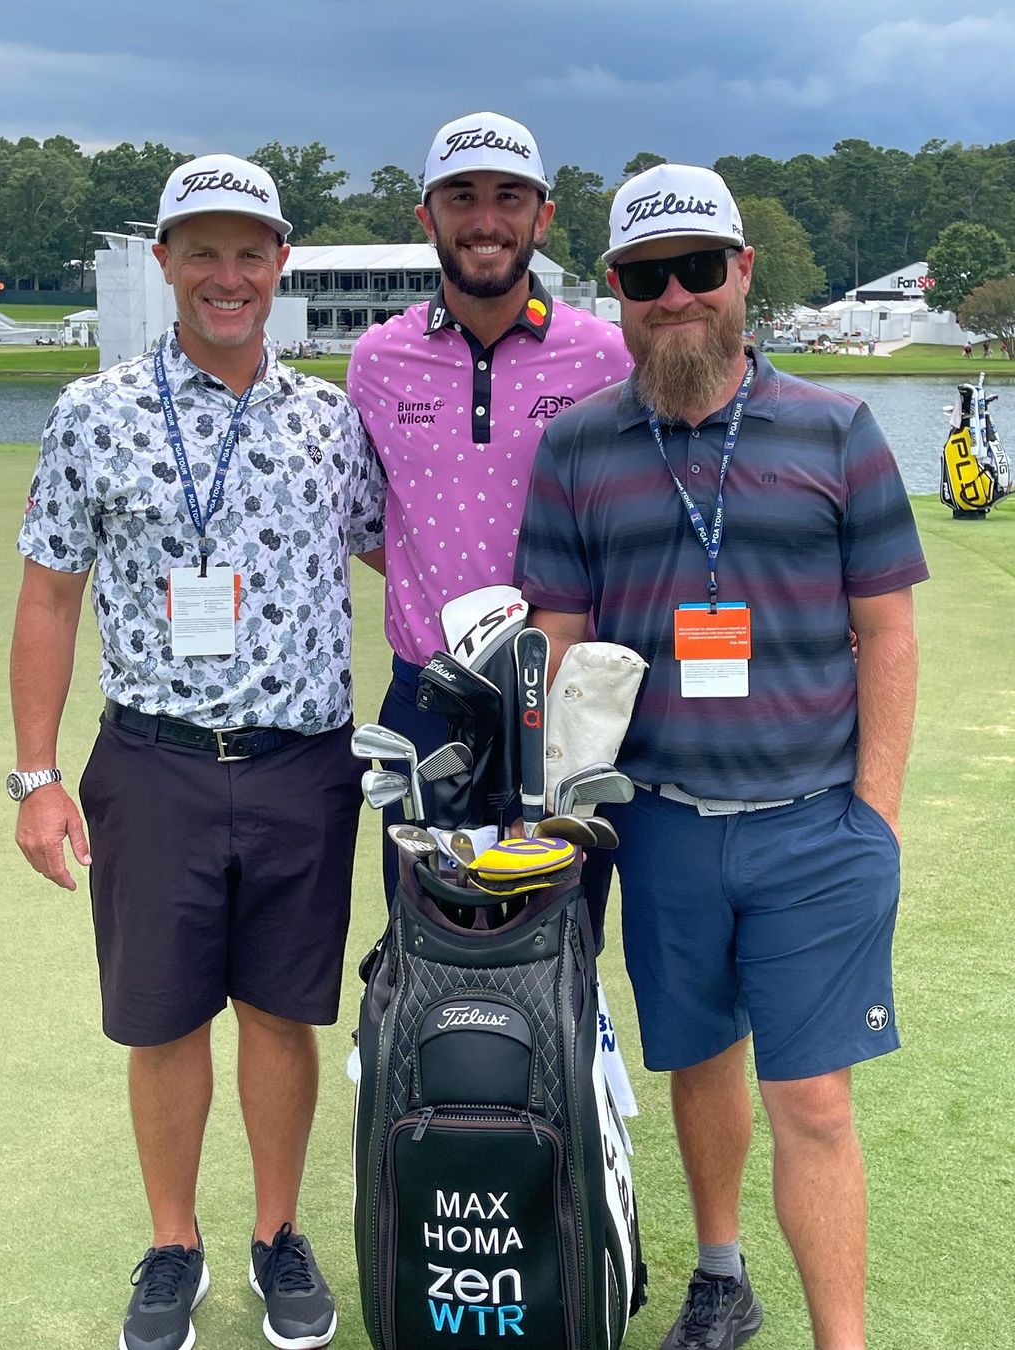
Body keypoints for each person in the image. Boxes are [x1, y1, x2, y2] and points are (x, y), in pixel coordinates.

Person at [515, 163, 928, 1350]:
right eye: (648, 278)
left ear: (743, 271)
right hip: (661, 823)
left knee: (813, 1099)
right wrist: (549, 803)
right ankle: (720, 1273)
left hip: (813, 823)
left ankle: (842, 1339)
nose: (676, 297)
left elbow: (888, 633)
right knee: (699, 1064)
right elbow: (557, 641)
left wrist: (877, 814)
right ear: (616, 290)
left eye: (699, 268)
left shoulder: (838, 431)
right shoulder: (580, 447)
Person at [9, 153, 385, 1350]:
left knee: (280, 1014)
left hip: (301, 765)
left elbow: (399, 552)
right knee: (164, 1020)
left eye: (250, 253)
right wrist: (35, 778)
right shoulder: (96, 411)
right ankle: (175, 1242)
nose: (229, 276)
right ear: (165, 261)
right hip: (154, 761)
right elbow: (49, 596)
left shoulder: (329, 419)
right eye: (203, 252)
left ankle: (278, 1234)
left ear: (282, 264)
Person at [347, 110, 632, 900]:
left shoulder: (606, 355)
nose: (485, 220)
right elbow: (371, 522)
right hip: (427, 699)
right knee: (426, 937)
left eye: (509, 197)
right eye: (461, 197)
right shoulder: (377, 360)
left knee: (557, 936)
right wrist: (437, 584)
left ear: (543, 216)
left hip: (564, 702)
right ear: (426, 218)